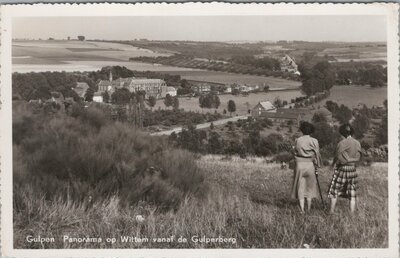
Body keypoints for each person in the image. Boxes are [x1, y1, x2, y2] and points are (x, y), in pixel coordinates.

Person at [328, 124, 362, 214]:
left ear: (342, 133)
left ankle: (331, 211)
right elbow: (358, 157)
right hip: (352, 169)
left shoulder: (341, 143)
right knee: (352, 192)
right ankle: (351, 214)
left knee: (334, 190)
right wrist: (351, 160)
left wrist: (332, 165)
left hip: (342, 169)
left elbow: (338, 157)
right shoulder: (357, 143)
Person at [291, 121, 322, 213]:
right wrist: (317, 165)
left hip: (300, 164)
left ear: (302, 130)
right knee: (310, 187)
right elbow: (317, 154)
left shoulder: (297, 140)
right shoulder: (314, 141)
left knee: (300, 187)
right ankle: (308, 208)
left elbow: (294, 152)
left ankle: (302, 210)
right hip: (310, 165)